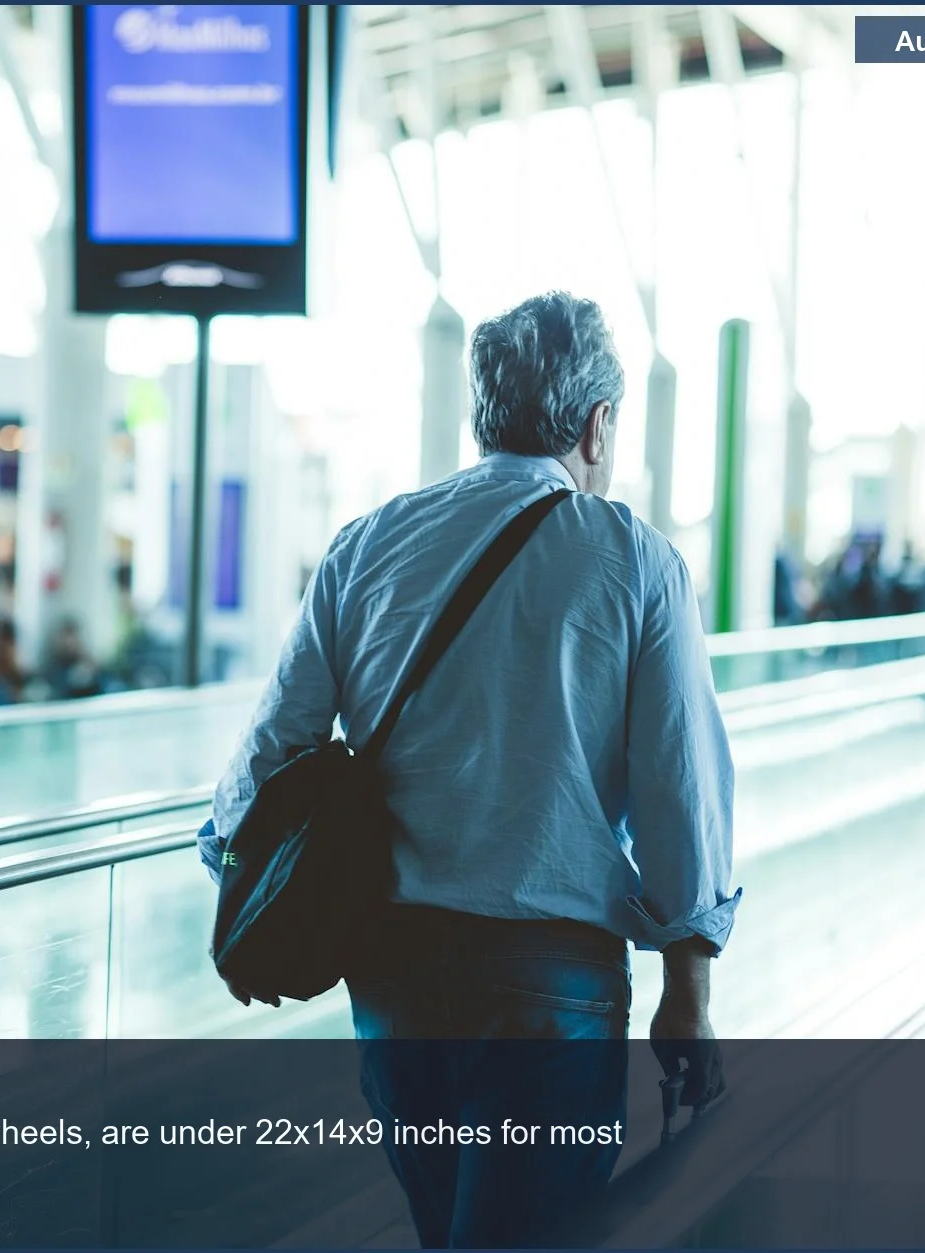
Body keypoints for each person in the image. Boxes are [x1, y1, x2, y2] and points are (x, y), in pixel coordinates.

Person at [199, 293, 738, 1247]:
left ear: (482, 414)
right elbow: (677, 789)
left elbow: (260, 769)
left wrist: (250, 888)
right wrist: (686, 1002)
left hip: (394, 978)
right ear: (597, 422)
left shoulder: (367, 546)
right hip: (550, 986)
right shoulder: (634, 560)